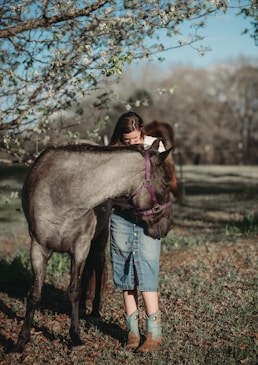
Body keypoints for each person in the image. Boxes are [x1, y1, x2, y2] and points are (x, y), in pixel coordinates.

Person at [109, 111, 167, 353]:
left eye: (134, 138)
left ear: (142, 131)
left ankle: (154, 333)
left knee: (148, 269)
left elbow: (162, 181)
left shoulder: (155, 146)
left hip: (147, 218)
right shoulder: (112, 150)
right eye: (127, 140)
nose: (131, 143)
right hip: (120, 217)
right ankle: (132, 332)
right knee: (125, 274)